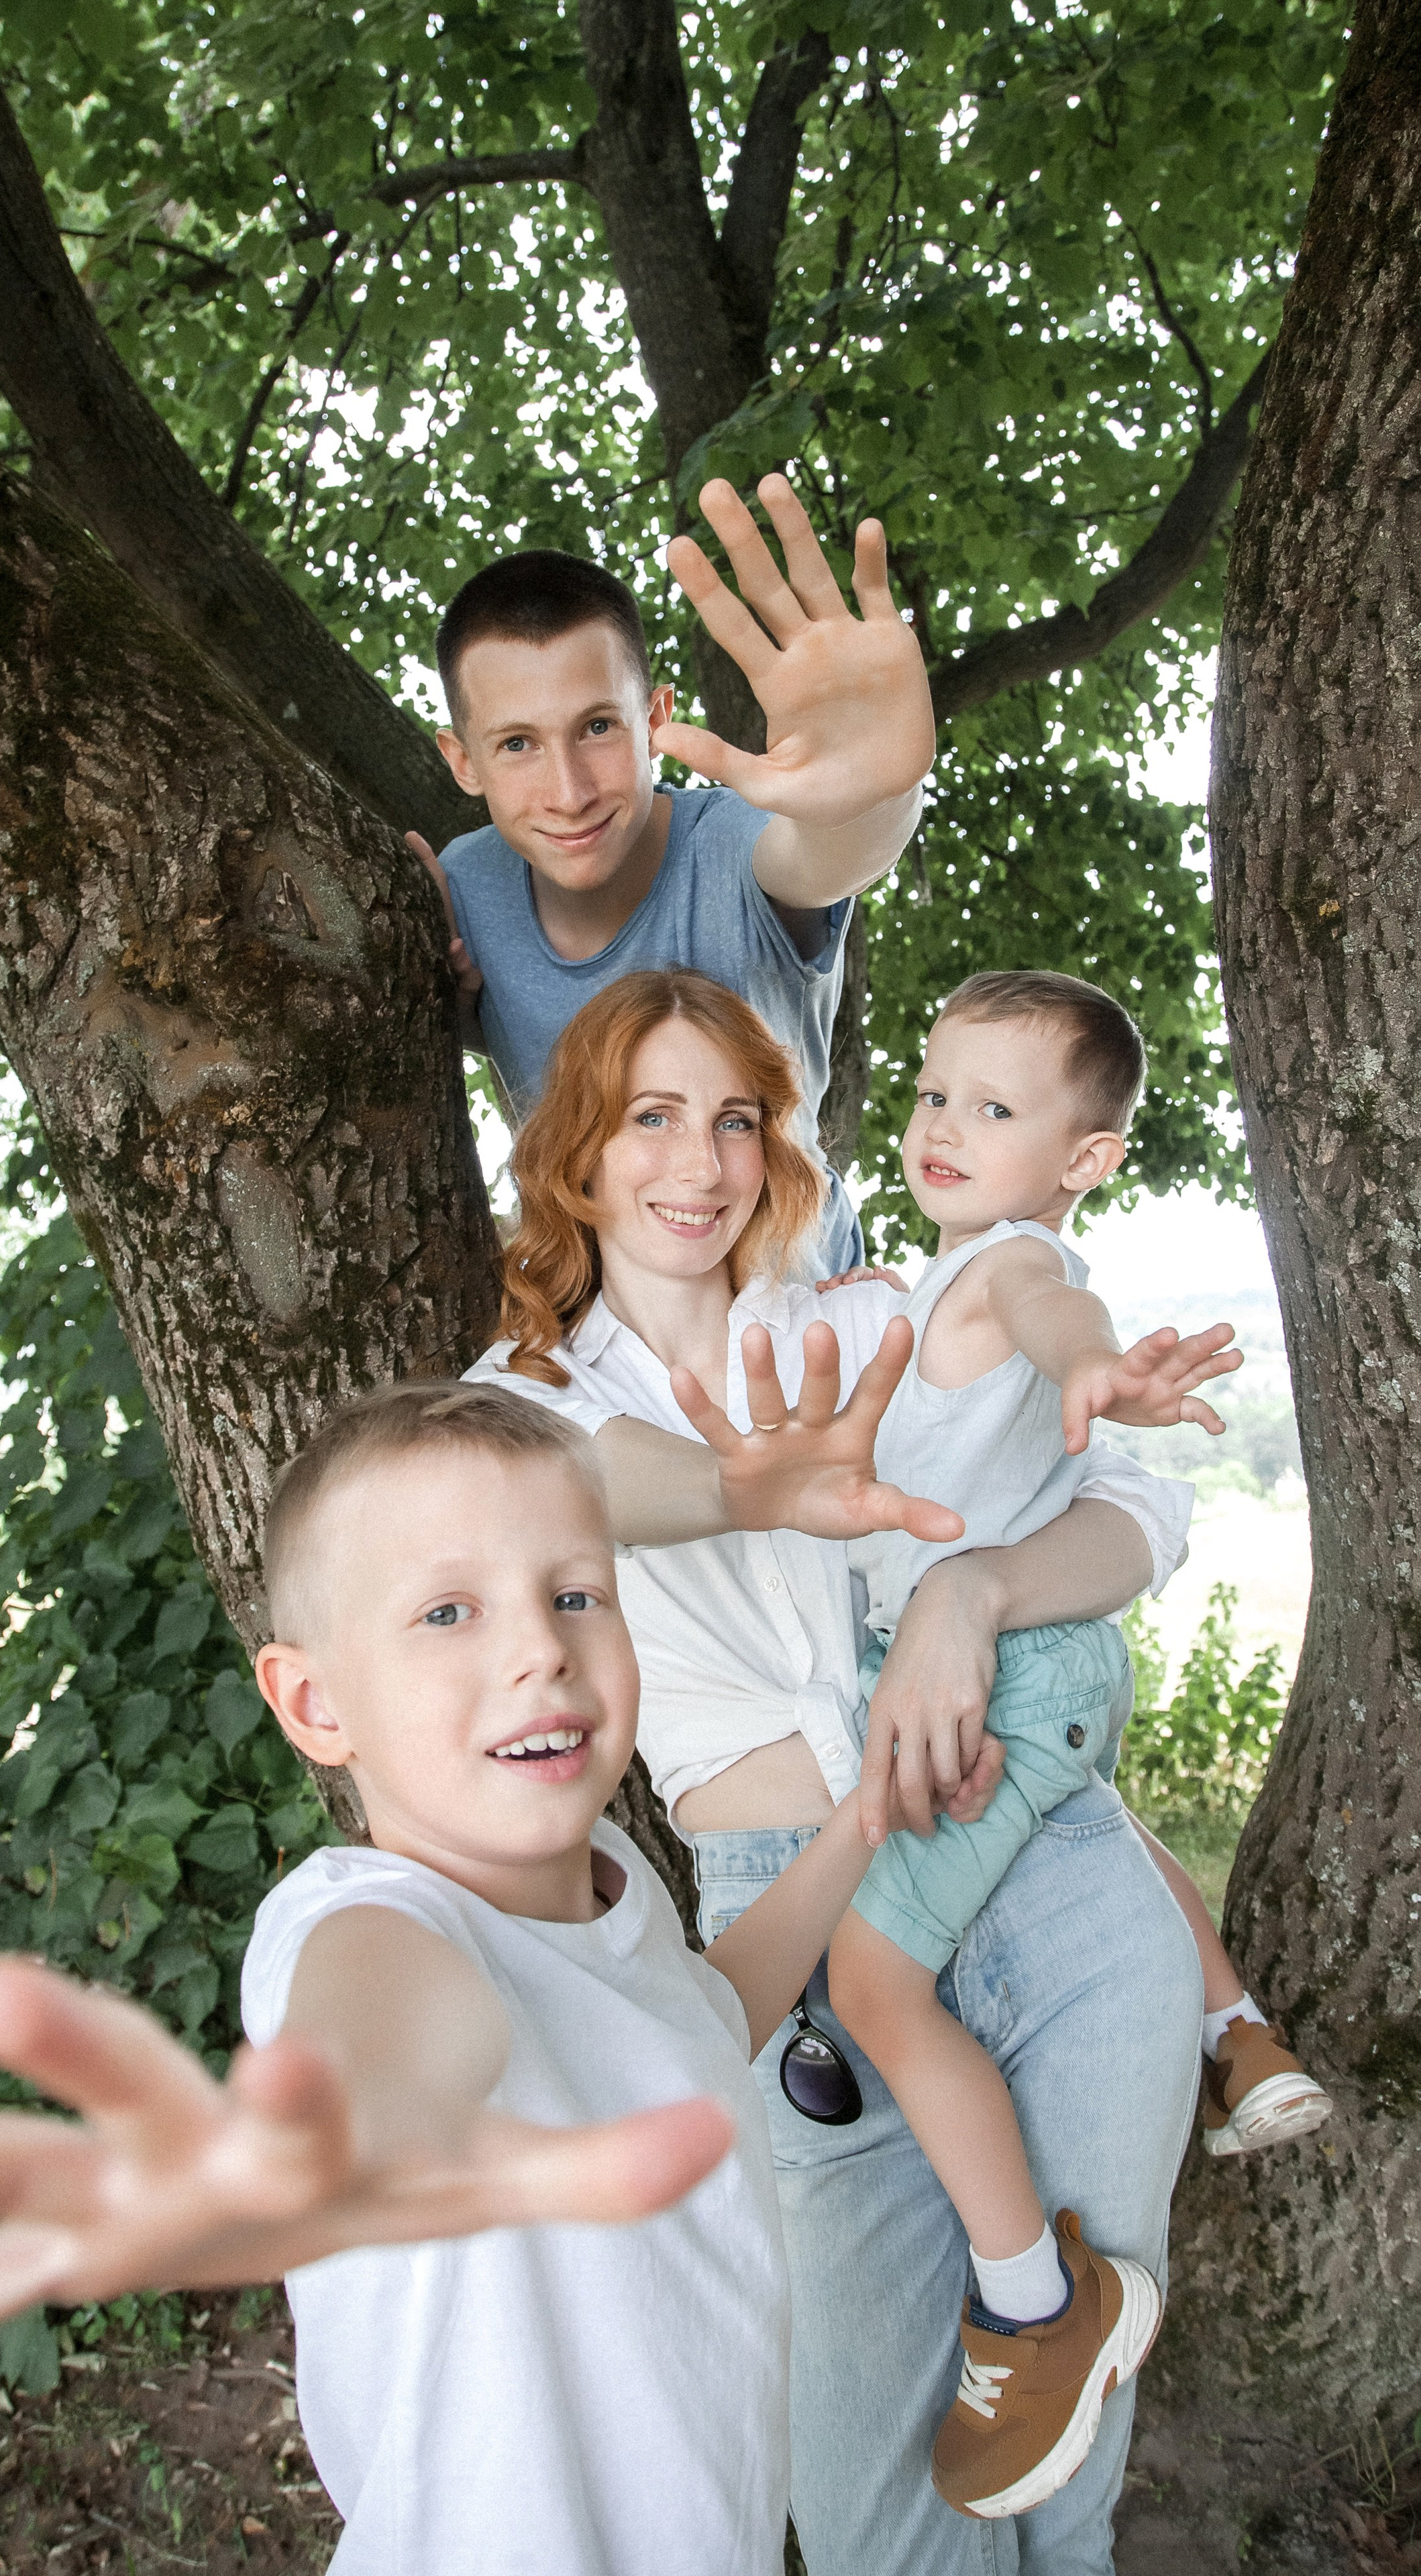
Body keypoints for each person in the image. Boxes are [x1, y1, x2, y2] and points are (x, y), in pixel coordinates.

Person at [0, 1380, 1000, 2576]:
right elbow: (381, 2052)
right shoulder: (368, 1924)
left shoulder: (618, 1888)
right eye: (448, 1613)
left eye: (576, 1593)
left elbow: (697, 2019)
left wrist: (865, 1820)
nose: (540, 1651)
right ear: (315, 1703)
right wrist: (307, 2146)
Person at [462, 967, 1212, 2575]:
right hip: (804, 1936)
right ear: (575, 1149)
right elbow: (590, 1482)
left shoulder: (859, 1321)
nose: (697, 1160)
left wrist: (973, 1590)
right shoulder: (517, 1403)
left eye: (734, 1118)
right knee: (879, 2514)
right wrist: (756, 1489)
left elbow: (1140, 1510)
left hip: (1047, 1878)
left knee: (1062, 2470)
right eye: (649, 1116)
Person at [811, 967, 1328, 2517]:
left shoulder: (1009, 1265)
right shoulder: (928, 1281)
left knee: (870, 1983)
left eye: (991, 1106)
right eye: (930, 1093)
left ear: (1083, 1158)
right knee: (1094, 1810)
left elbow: (1053, 1310)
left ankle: (1036, 2303)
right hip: (1044, 1677)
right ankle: (1234, 2027)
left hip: (1012, 1670)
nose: (939, 1126)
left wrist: (1092, 1366)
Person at [406, 472, 937, 1271]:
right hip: (603, 1329)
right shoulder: (468, 888)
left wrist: (875, 793)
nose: (569, 793)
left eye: (597, 727)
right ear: (462, 761)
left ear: (654, 718)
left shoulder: (737, 845)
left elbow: (829, 853)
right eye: (517, 744)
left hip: (798, 1317)